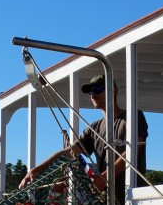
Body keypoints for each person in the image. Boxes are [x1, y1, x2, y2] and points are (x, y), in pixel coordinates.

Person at [19, 75, 148, 195]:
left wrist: (103, 177)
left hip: (133, 197)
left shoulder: (134, 117)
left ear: (112, 90)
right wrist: (36, 170)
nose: (92, 95)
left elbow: (133, 151)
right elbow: (69, 152)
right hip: (107, 199)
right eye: (90, 92)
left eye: (97, 89)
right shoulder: (93, 128)